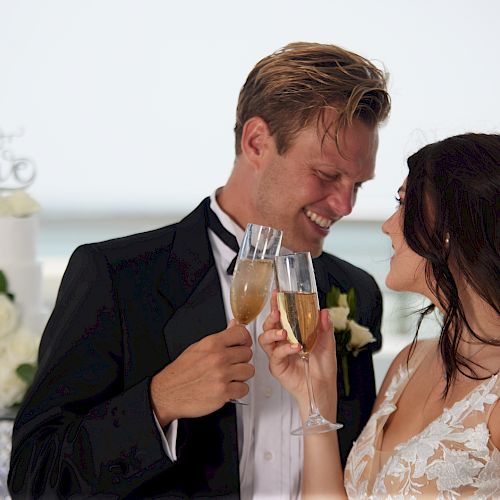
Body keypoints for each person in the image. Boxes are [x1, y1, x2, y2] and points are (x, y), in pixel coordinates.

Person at [8, 42, 390, 499]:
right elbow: (36, 478)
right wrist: (158, 402)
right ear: (257, 143)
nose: (345, 205)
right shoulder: (116, 277)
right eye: (328, 175)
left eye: (358, 185)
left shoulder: (356, 292)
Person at [259, 132, 500, 498]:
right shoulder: (409, 363)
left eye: (403, 204)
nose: (387, 225)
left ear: (448, 227)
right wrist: (315, 397)